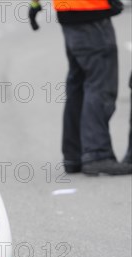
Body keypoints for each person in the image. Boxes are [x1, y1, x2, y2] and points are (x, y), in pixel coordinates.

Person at [29, 0, 131, 175]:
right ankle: (97, 154)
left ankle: (74, 155)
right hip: (92, 11)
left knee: (79, 85)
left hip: (68, 12)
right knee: (100, 85)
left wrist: (35, 4)